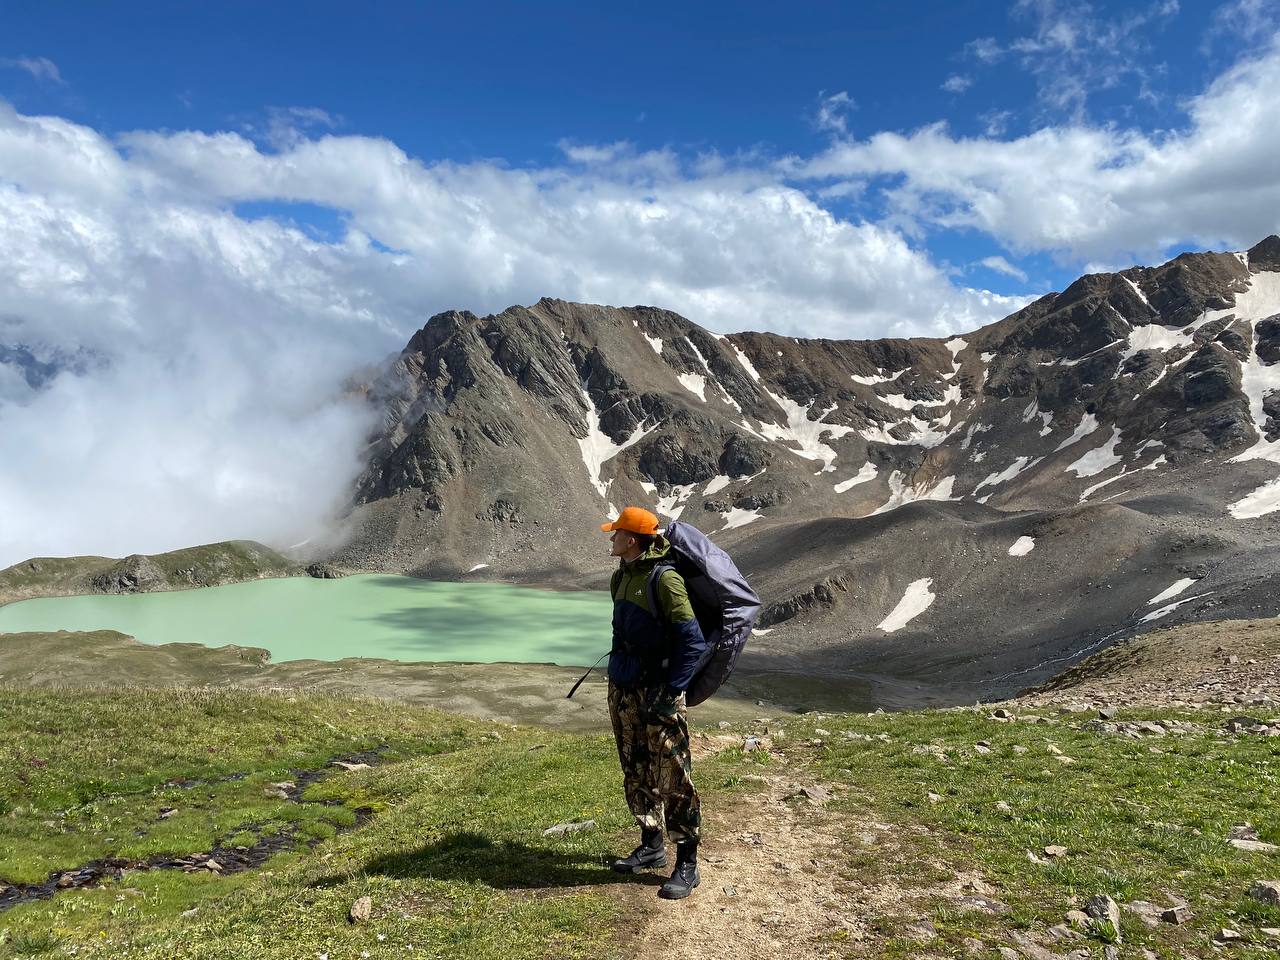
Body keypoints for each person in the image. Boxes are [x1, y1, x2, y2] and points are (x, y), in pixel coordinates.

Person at [600, 506, 708, 900]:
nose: (610, 539)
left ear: (631, 540)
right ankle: (651, 844)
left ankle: (688, 863)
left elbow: (692, 642)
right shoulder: (621, 577)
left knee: (673, 776)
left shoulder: (666, 580)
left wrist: (671, 690)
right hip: (626, 688)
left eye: (615, 534)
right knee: (635, 766)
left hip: (658, 692)